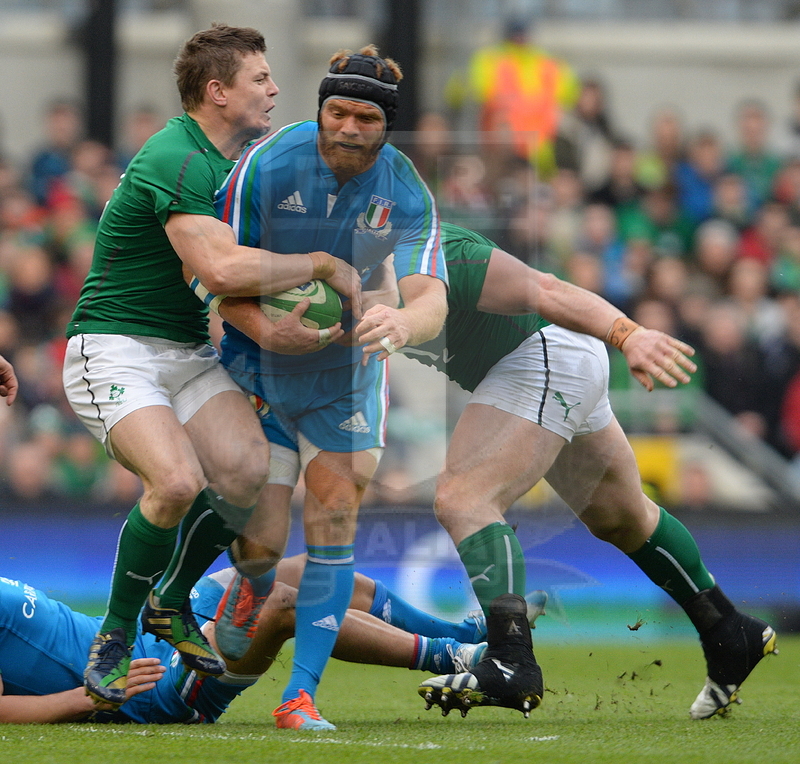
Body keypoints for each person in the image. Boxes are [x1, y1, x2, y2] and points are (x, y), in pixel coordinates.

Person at [218, 222, 777, 721]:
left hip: (544, 355)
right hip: (556, 364)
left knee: (464, 498)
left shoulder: (439, 250)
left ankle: (511, 661)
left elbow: (548, 289)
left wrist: (629, 334)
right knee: (623, 518)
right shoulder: (342, 283)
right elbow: (233, 302)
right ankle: (729, 630)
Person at [61, 24, 361, 709]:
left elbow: (224, 286)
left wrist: (276, 326)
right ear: (217, 92)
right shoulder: (180, 156)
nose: (275, 89)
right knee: (173, 482)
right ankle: (113, 636)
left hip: (185, 351)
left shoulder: (236, 169)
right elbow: (222, 268)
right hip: (112, 347)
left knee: (248, 471)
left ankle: (168, 600)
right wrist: (321, 265)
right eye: (260, 79)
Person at [206, 45, 447, 730]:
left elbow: (431, 295)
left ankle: (299, 696)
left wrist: (400, 322)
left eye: (364, 117)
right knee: (262, 536)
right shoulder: (268, 163)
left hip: (347, 375)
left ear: (385, 125)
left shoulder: (405, 193)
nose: (346, 126)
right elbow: (221, 276)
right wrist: (267, 328)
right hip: (260, 366)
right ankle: (251, 586)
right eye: (335, 111)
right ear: (319, 111)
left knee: (335, 515)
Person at [0, 556, 508, 725]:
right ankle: (461, 657)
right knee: (279, 603)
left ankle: (458, 633)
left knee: (317, 571)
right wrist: (83, 698)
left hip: (146, 631)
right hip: (155, 688)